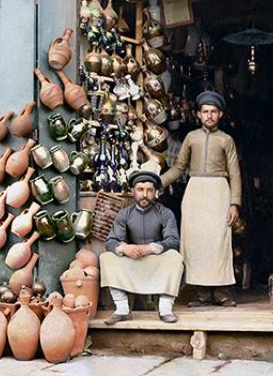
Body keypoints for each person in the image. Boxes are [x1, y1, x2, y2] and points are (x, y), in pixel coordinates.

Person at [161, 90, 242, 307]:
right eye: (205, 111)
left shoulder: (226, 140)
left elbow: (235, 173)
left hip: (219, 191)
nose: (209, 116)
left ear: (220, 114)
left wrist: (234, 203)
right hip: (195, 191)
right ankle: (201, 293)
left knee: (218, 242)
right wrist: (157, 183)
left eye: (213, 112)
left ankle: (222, 292)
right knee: (195, 242)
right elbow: (179, 167)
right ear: (198, 114)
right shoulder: (191, 138)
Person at [100, 170, 184, 324]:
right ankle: (122, 309)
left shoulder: (165, 213)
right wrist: (124, 248)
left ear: (155, 192)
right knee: (106, 258)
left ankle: (165, 309)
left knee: (175, 257)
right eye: (140, 190)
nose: (145, 194)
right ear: (133, 191)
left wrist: (150, 248)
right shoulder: (124, 214)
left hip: (156, 261)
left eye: (149, 190)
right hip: (133, 260)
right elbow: (111, 241)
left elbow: (173, 241)